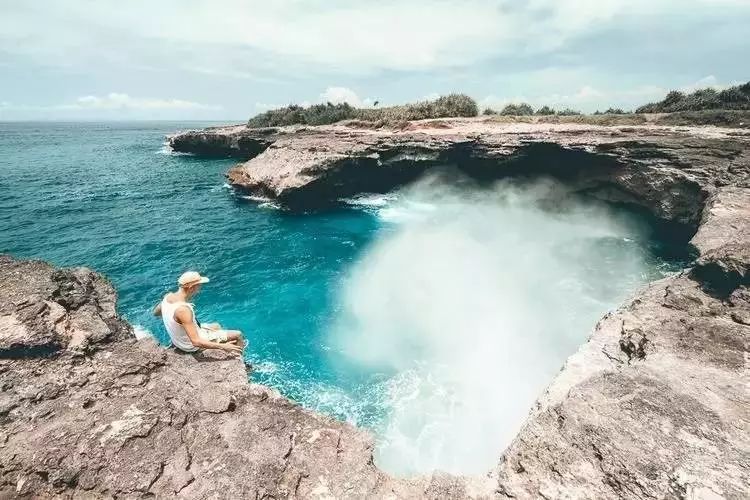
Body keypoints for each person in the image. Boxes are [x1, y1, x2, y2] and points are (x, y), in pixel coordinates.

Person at [153, 271, 244, 354]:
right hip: (189, 346)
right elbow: (196, 341)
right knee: (238, 334)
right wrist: (224, 347)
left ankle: (219, 341)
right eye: (199, 286)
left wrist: (175, 323)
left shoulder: (167, 297)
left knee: (216, 326)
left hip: (179, 340)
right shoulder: (183, 310)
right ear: (191, 288)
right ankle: (240, 360)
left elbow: (156, 313)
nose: (199, 289)